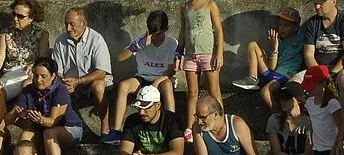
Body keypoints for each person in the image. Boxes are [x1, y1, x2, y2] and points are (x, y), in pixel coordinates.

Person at [6, 56, 83, 155]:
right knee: (25, 137)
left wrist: (40, 119)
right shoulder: (29, 90)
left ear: (53, 76)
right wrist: (15, 114)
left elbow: (53, 121)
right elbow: (8, 119)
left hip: (68, 128)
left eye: (43, 76)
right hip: (41, 129)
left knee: (49, 133)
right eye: (36, 76)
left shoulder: (60, 90)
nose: (38, 80)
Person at [109, 10, 178, 144]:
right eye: (152, 33)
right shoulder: (141, 40)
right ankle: (115, 131)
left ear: (166, 29)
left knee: (168, 86)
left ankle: (171, 129)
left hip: (162, 78)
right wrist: (136, 46)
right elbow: (119, 57)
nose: (154, 37)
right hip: (143, 78)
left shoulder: (171, 43)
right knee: (124, 86)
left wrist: (157, 82)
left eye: (158, 34)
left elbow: (172, 70)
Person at [52, 7, 113, 142]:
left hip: (92, 80)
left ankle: (106, 129)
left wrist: (79, 81)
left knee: (99, 86)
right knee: (56, 87)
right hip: (71, 82)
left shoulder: (96, 39)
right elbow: (57, 70)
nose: (68, 28)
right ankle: (63, 128)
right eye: (66, 24)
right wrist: (65, 82)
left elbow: (101, 72)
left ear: (83, 24)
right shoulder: (60, 41)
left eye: (72, 24)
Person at [232, 7, 304, 111]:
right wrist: (274, 47)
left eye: (286, 25)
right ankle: (252, 79)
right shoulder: (278, 40)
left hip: (284, 76)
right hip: (273, 71)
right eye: (280, 25)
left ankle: (277, 116)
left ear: (296, 27)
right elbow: (272, 67)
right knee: (252, 45)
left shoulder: (300, 38)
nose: (282, 28)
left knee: (265, 92)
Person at [176, 0, 225, 133]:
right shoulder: (185, 7)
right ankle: (191, 128)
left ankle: (220, 123)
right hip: (190, 55)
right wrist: (178, 53)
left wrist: (219, 53)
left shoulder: (210, 4)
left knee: (214, 91)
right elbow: (183, 30)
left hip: (208, 54)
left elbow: (218, 29)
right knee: (192, 92)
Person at [0, 0, 49, 100]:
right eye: (14, 14)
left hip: (30, 74)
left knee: (27, 85)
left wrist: (34, 66)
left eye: (20, 16)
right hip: (10, 74)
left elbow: (43, 59)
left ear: (31, 18)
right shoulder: (6, 33)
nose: (15, 19)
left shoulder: (41, 35)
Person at [300, 64, 343, 155]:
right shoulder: (309, 102)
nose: (309, 90)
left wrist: (333, 153)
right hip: (318, 150)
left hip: (332, 149)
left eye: (312, 87)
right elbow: (314, 126)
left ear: (323, 83)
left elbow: (341, 129)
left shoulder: (332, 103)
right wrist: (313, 150)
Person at [301, 0, 344, 81]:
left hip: (340, 69)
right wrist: (319, 73)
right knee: (294, 82)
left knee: (343, 81)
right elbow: (308, 55)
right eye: (315, 4)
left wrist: (332, 73)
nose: (317, 7)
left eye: (321, 4)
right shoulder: (312, 23)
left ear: (333, 2)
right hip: (317, 68)